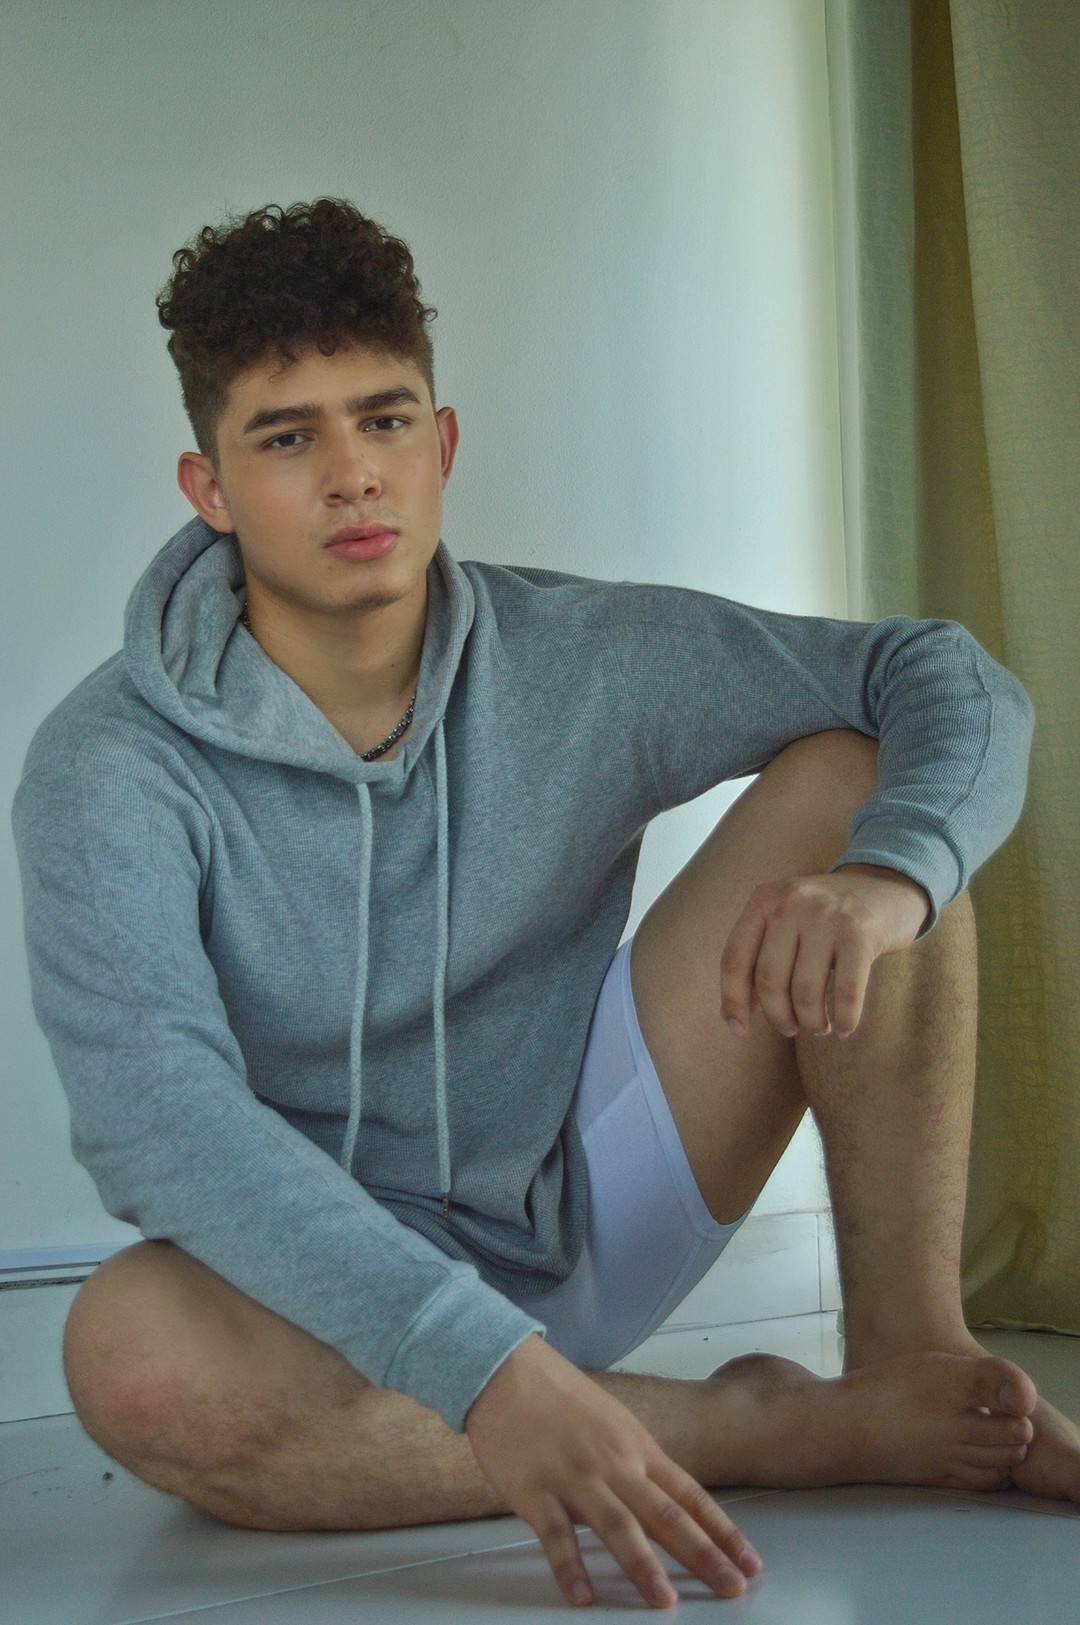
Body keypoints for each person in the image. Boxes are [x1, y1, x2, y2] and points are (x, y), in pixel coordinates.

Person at [13, 198, 1080, 1612]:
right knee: (127, 1351)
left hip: (582, 1208)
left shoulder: (577, 658)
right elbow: (158, 1121)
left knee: (858, 780)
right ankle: (767, 1429)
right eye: (287, 438)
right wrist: (486, 1370)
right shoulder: (111, 766)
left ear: (443, 444)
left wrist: (891, 880)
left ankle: (913, 1352)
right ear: (208, 488)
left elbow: (936, 673)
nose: (354, 476)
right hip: (323, 1311)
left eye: (385, 420)